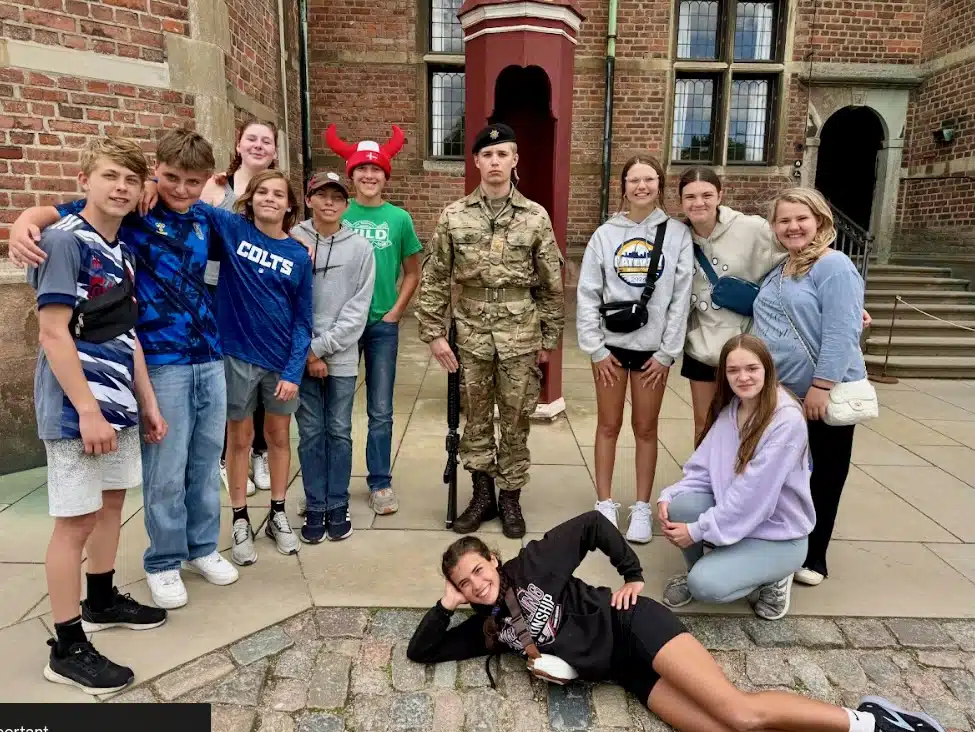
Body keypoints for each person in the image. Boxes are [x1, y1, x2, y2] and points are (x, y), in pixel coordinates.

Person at [406, 512, 948, 732]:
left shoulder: (533, 563)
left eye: (479, 570)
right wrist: (447, 604)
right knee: (723, 731)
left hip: (634, 627)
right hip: (626, 672)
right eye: (465, 582)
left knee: (739, 712)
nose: (478, 584)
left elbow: (595, 524)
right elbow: (423, 650)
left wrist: (632, 573)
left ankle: (871, 721)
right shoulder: (490, 630)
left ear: (494, 561)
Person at [8, 129, 240, 611]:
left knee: (204, 462)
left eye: (192, 181)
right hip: (158, 358)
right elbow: (71, 209)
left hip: (208, 355)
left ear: (206, 182)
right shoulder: (134, 212)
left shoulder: (205, 221)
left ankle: (201, 547)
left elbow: (256, 210)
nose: (180, 189)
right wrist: (25, 219)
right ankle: (164, 559)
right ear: (156, 173)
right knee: (166, 468)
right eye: (171, 178)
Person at [26, 137, 168, 694]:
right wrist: (86, 410)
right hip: (75, 411)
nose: (120, 188)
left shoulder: (121, 253)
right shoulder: (65, 243)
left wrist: (147, 404)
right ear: (85, 179)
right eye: (110, 176)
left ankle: (102, 597)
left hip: (119, 408)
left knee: (111, 504)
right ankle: (65, 645)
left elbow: (125, 335)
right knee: (74, 522)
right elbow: (52, 331)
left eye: (131, 181)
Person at [415, 123, 565, 539]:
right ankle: (482, 495)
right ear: (477, 161)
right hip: (471, 333)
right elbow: (434, 276)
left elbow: (551, 283)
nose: (495, 162)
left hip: (521, 332)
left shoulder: (535, 217)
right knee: (476, 417)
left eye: (504, 154)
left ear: (515, 160)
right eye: (488, 155)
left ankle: (510, 497)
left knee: (516, 418)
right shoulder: (454, 215)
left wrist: (549, 341)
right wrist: (434, 333)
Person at [679, 168, 872, 442]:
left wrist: (847, 304)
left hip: (750, 352)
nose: (699, 202)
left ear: (720, 195)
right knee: (711, 427)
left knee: (747, 431)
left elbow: (809, 259)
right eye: (690, 196)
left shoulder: (754, 229)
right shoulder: (678, 235)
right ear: (680, 201)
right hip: (706, 349)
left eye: (707, 194)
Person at [752, 188, 866, 587]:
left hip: (818, 395)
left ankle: (815, 557)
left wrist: (821, 385)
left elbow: (842, 330)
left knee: (825, 475)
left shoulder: (833, 266)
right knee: (787, 475)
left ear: (820, 220)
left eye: (801, 218)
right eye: (784, 220)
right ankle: (783, 543)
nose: (793, 227)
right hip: (781, 395)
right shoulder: (782, 268)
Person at [576, 155, 693, 543]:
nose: (641, 186)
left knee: (646, 428)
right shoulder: (605, 235)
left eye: (649, 179)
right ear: (622, 186)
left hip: (652, 351)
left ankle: (642, 506)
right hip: (611, 347)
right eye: (633, 180)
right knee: (608, 425)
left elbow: (681, 297)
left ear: (659, 184)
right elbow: (588, 292)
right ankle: (605, 503)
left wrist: (666, 353)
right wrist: (594, 348)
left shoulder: (677, 234)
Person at [656, 334, 814, 620]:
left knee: (705, 585)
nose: (743, 377)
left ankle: (774, 576)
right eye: (733, 370)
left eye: (751, 368)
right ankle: (713, 564)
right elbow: (701, 469)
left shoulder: (786, 421)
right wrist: (668, 495)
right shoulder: (733, 410)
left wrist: (696, 531)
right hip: (741, 523)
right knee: (681, 506)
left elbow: (750, 498)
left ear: (767, 369)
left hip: (778, 535)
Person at [204, 170, 313, 566]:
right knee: (239, 439)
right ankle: (239, 518)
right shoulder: (233, 229)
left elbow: (303, 319)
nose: (269, 198)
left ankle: (278, 514)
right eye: (262, 192)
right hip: (236, 355)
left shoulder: (299, 255)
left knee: (279, 438)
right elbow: (187, 202)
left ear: (289, 206)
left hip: (280, 362)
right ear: (249, 198)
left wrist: (293, 370)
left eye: (278, 194)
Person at [324, 124, 423, 516]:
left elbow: (412, 271)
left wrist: (397, 311)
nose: (368, 176)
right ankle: (332, 485)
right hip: (341, 327)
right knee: (337, 410)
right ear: (351, 175)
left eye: (376, 170)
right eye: (361, 170)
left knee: (380, 409)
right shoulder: (336, 213)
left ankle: (380, 482)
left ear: (385, 176)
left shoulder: (399, 219)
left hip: (382, 325)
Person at [289, 171, 376, 543]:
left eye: (337, 197)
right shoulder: (291, 239)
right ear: (308, 199)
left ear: (346, 204)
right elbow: (286, 302)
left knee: (339, 430)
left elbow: (358, 309)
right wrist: (306, 351)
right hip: (298, 351)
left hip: (338, 354)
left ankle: (337, 502)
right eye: (321, 195)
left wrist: (320, 348)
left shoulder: (360, 248)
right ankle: (316, 504)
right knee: (310, 432)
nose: (329, 203)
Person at [202, 118, 280, 495]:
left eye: (267, 141)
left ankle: (260, 452)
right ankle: (227, 455)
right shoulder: (216, 189)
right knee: (229, 379)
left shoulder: (275, 190)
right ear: (238, 144)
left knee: (264, 372)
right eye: (252, 138)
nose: (259, 145)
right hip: (221, 293)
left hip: (262, 297)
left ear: (275, 151)